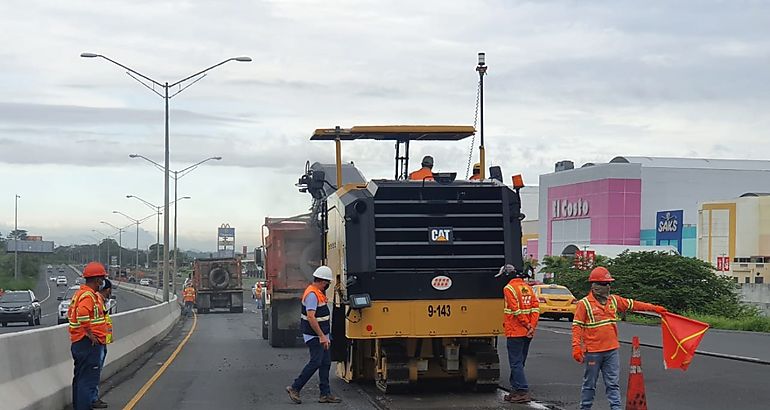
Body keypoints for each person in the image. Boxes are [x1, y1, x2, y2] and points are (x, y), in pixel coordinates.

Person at [572, 267, 667, 410]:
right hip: (593, 351)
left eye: (609, 283)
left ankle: (616, 408)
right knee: (589, 384)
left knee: (613, 384)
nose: (608, 287)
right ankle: (585, 408)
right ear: (595, 286)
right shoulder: (584, 304)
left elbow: (634, 304)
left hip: (611, 350)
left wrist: (654, 308)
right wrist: (576, 347)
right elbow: (577, 327)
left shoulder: (614, 301)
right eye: (604, 284)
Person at [286, 266, 342, 404]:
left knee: (325, 363)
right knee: (316, 362)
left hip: (323, 335)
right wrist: (322, 336)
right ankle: (295, 387)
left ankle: (325, 394)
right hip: (315, 336)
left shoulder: (317, 292)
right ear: (323, 281)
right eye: (328, 282)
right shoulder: (312, 294)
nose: (328, 285)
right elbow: (311, 317)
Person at [68, 262, 109, 410]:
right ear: (97, 280)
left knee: (80, 378)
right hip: (87, 343)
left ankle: (79, 406)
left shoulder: (81, 293)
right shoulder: (88, 296)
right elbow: (82, 313)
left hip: (79, 342)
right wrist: (90, 334)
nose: (102, 282)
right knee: (87, 380)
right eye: (102, 279)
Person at [500, 264, 539, 403]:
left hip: (515, 331)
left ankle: (522, 390)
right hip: (527, 333)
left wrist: (527, 325)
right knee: (520, 362)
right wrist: (531, 327)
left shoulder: (509, 288)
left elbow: (515, 310)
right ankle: (515, 389)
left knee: (515, 362)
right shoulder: (528, 288)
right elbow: (535, 308)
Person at [91, 278, 113, 409]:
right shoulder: (98, 300)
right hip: (97, 341)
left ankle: (94, 398)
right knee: (94, 372)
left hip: (100, 340)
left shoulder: (98, 299)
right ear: (108, 290)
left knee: (95, 371)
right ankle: (93, 399)